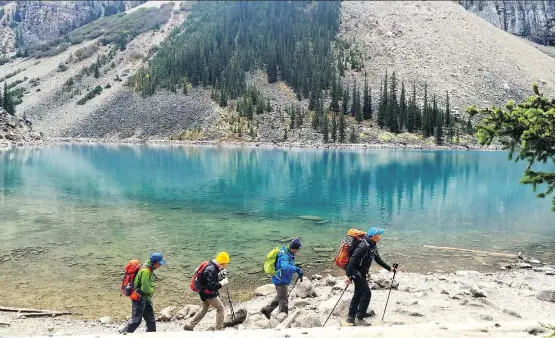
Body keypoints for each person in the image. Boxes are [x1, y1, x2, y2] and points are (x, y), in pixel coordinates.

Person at [344, 227, 397, 326]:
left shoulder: (373, 246)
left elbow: (378, 259)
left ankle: (352, 318)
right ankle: (358, 317)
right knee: (366, 293)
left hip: (362, 272)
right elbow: (352, 260)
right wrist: (348, 276)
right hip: (356, 272)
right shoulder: (363, 246)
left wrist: (390, 269)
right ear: (373, 236)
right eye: (379, 235)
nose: (380, 237)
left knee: (358, 293)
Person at [184, 251, 230, 331]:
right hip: (207, 293)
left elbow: (210, 280)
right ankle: (219, 329)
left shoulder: (213, 266)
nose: (227, 265)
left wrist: (220, 274)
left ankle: (189, 326)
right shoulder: (211, 269)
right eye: (227, 263)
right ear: (223, 262)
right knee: (220, 308)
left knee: (204, 309)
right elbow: (211, 286)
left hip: (203, 292)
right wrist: (222, 282)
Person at [121, 252, 166, 333]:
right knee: (136, 321)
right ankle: (123, 333)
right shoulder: (146, 271)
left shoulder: (149, 267)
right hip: (139, 298)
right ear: (155, 262)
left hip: (145, 298)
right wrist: (153, 289)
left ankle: (151, 334)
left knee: (151, 320)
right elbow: (145, 289)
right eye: (159, 263)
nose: (160, 265)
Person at [260, 238, 303, 318]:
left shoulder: (287, 252)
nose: (297, 252)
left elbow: (287, 266)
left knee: (280, 296)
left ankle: (266, 310)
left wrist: (296, 269)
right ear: (292, 248)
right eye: (296, 250)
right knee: (283, 300)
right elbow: (285, 267)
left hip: (281, 278)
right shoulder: (284, 255)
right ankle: (283, 317)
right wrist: (296, 269)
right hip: (280, 280)